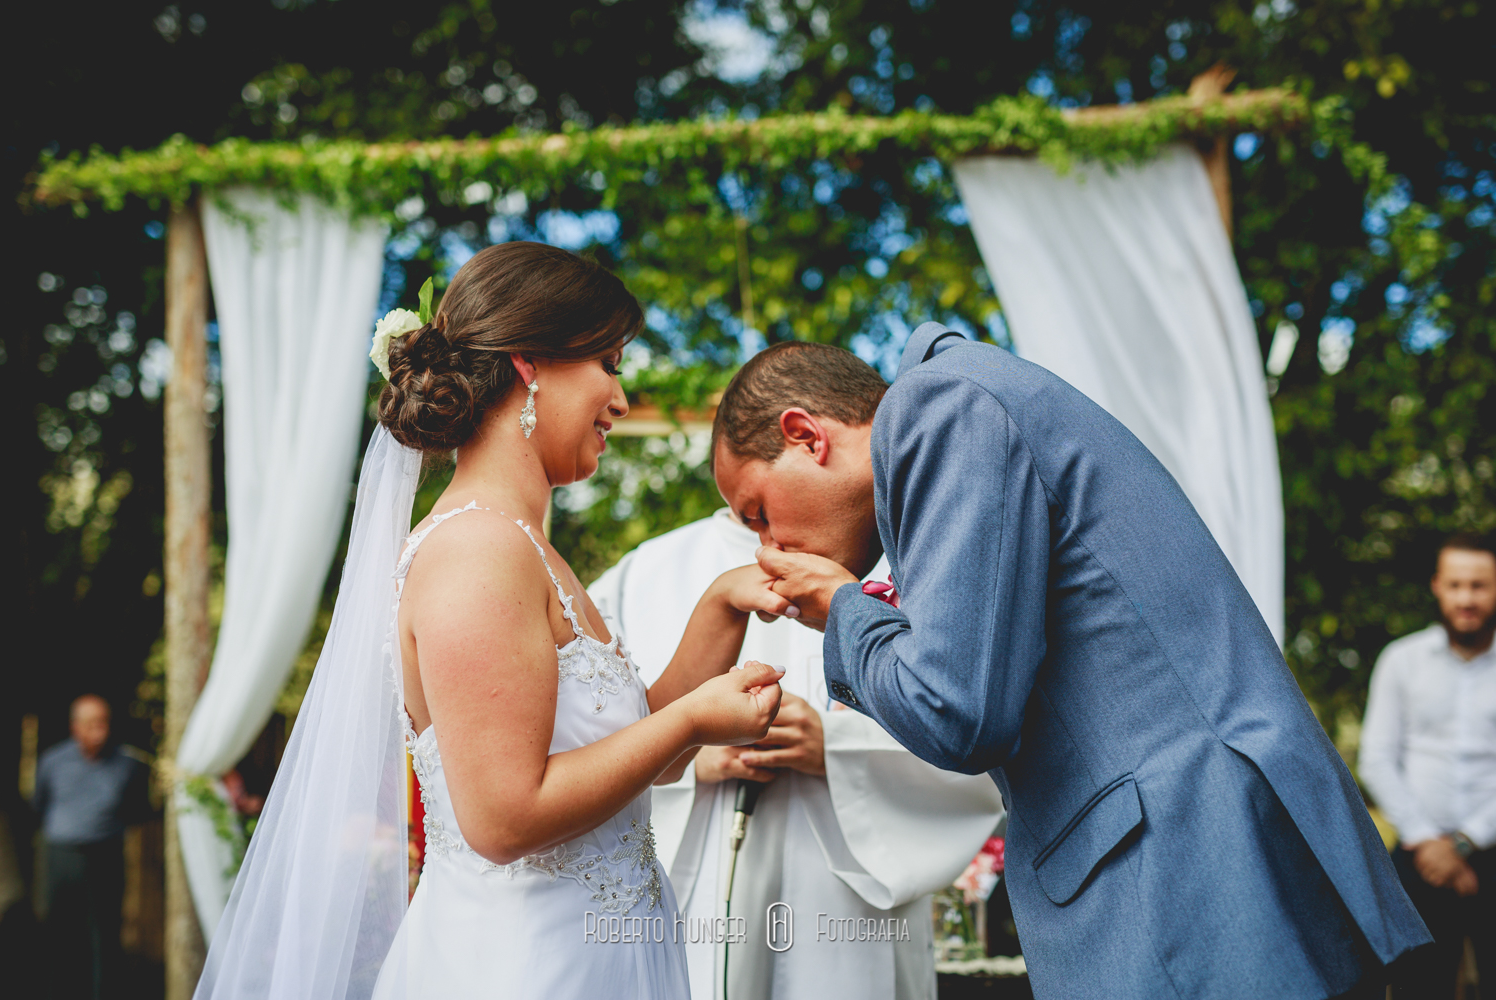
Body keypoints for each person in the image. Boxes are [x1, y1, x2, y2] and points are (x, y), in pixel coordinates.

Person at [716, 328, 1431, 999]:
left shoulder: (937, 407)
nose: (767, 542)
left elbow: (958, 714)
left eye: (756, 511)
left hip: (1192, 875)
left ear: (806, 436)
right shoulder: (969, 402)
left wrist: (848, 611)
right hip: (1211, 864)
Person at [195, 242, 791, 1000]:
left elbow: (637, 757)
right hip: (525, 968)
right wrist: (692, 722)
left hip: (598, 957)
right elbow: (505, 817)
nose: (621, 399)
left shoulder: (527, 547)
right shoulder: (477, 551)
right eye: (608, 363)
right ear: (530, 363)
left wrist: (722, 603)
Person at [590, 508, 1006, 1000]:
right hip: (695, 904)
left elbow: (975, 738)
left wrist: (834, 748)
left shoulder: (894, 566)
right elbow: (585, 749)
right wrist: (684, 758)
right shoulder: (645, 572)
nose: (768, 539)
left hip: (848, 922)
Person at [1360, 533, 1496, 997]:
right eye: (1456, 584)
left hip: (1491, 849)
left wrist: (1464, 843)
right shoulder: (1401, 660)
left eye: (1479, 586)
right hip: (1419, 857)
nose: (1466, 598)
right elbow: (1377, 759)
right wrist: (1429, 843)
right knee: (1420, 989)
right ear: (1437, 585)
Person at [32, 694, 150, 999]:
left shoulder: (127, 764)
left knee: (105, 935)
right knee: (60, 934)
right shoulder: (52, 762)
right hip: (62, 857)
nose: (98, 730)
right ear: (75, 727)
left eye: (103, 722)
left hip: (105, 855)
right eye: (90, 724)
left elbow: (137, 810)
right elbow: (39, 807)